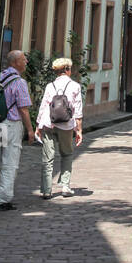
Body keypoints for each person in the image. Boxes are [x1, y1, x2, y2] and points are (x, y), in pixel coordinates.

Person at [0, 50, 34, 211]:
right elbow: (24, 109)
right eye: (23, 59)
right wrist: (30, 130)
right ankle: (4, 199)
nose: (26, 62)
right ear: (15, 62)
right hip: (11, 125)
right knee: (9, 162)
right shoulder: (19, 82)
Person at [36, 57, 83, 198]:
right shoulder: (75, 86)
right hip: (66, 125)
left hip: (48, 123)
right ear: (67, 70)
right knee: (67, 154)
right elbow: (78, 110)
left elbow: (43, 106)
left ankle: (46, 190)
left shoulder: (50, 86)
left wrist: (38, 125)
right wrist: (79, 130)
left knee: (47, 157)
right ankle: (65, 186)